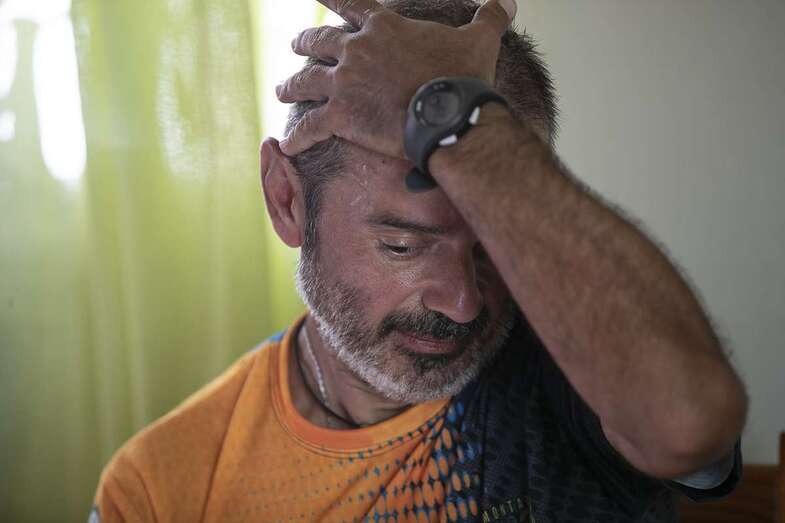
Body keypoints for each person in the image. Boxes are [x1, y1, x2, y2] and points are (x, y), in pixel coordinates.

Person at [91, 0, 748, 521]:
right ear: (287, 199)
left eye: (494, 244)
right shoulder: (161, 486)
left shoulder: (580, 377)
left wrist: (460, 118)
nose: (462, 303)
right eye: (403, 244)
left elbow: (687, 422)